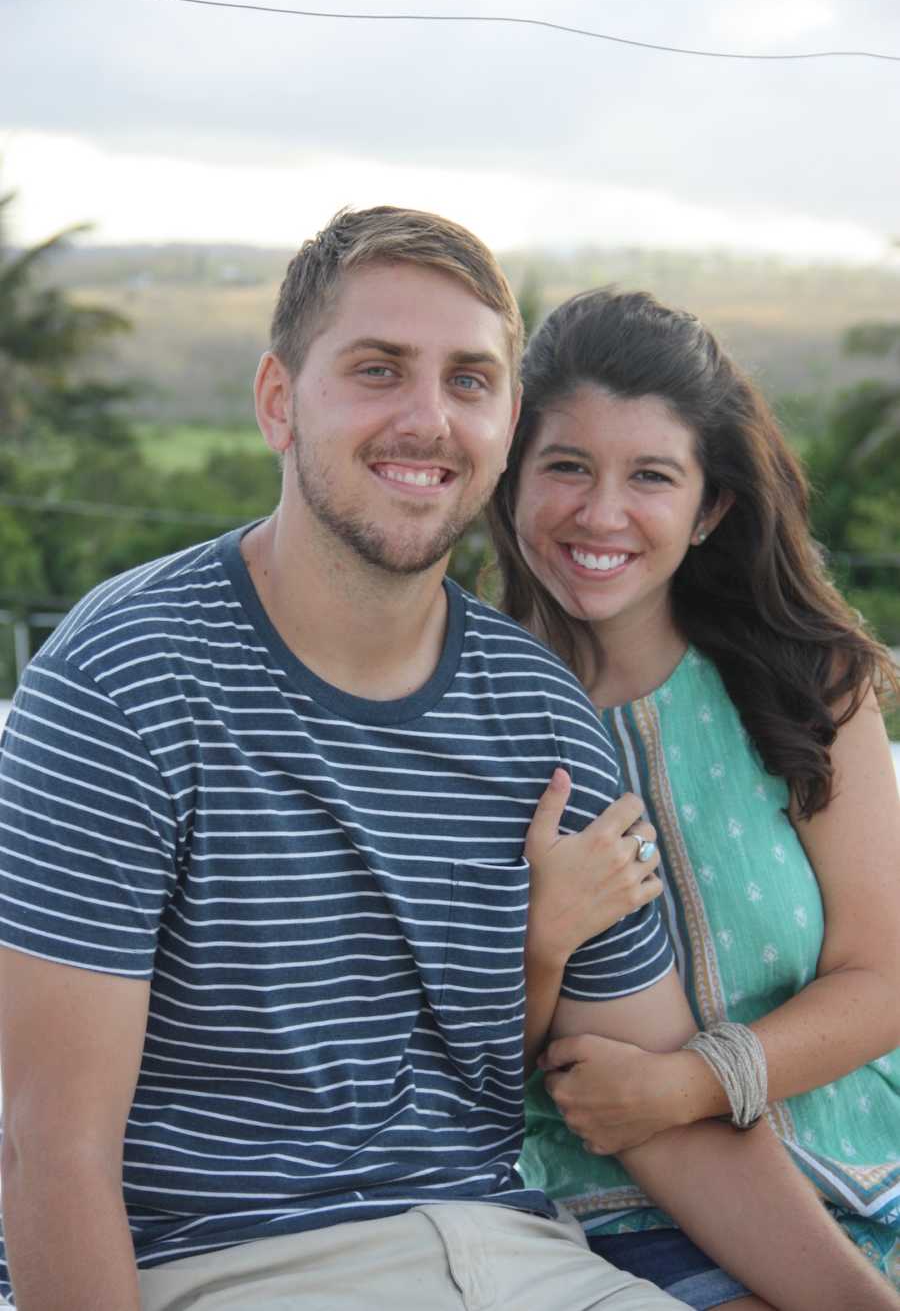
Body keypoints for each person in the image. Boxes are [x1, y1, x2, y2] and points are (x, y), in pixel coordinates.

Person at [0, 210, 890, 1311]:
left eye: (469, 381)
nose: (428, 418)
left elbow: (672, 1130)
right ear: (279, 400)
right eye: (379, 370)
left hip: (516, 1256)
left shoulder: (539, 715)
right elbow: (50, 1144)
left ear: (501, 421)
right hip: (236, 1266)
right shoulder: (128, 676)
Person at [487, 285, 900, 1308]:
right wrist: (543, 937)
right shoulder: (470, 721)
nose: (602, 513)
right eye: (567, 467)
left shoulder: (806, 683)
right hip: (618, 1211)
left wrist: (694, 1081)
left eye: (652, 477)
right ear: (508, 479)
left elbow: (883, 975)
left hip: (870, 1169)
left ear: (710, 506)